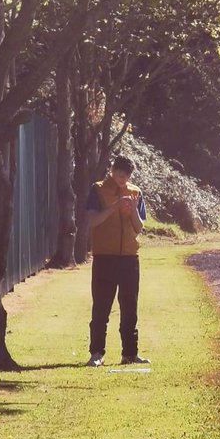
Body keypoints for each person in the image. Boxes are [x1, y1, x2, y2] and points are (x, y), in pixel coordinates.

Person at [85, 154, 149, 367]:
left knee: (130, 306)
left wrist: (131, 212)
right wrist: (114, 207)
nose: (121, 179)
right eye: (118, 174)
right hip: (105, 256)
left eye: (125, 175)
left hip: (130, 257)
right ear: (112, 170)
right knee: (101, 306)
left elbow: (139, 228)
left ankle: (130, 353)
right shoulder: (98, 189)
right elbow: (92, 221)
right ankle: (97, 353)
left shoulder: (136, 192)